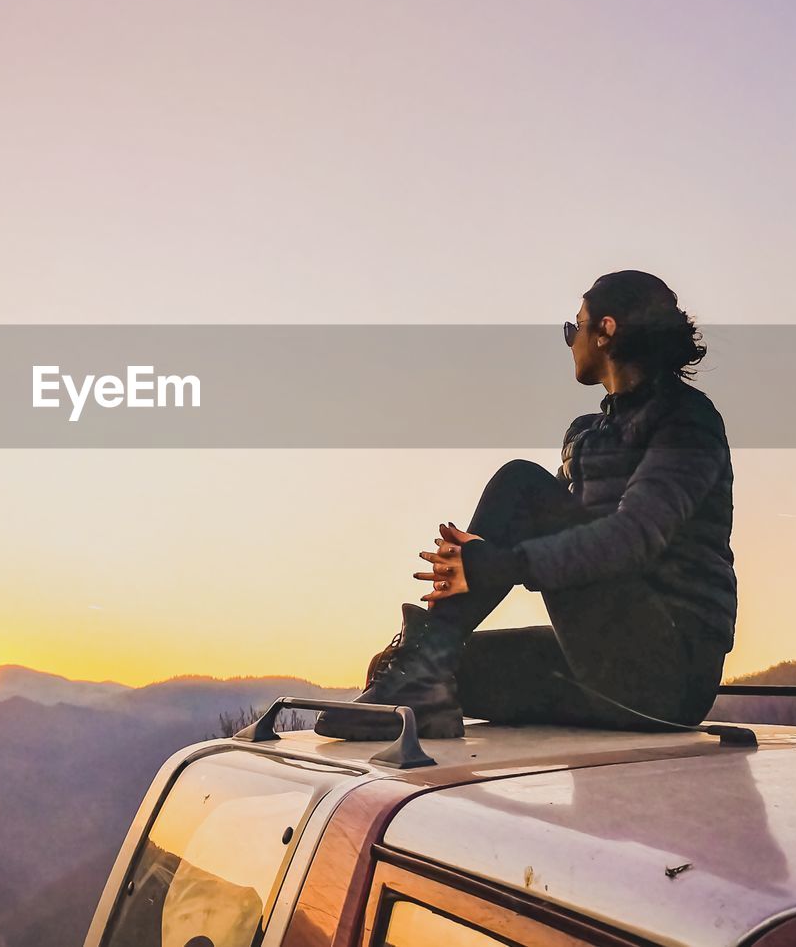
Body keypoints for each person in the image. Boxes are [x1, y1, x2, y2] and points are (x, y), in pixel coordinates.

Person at [314, 270, 736, 741]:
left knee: (519, 483)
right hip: (602, 662)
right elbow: (545, 526)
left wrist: (500, 564)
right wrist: (481, 557)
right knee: (431, 669)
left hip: (669, 671)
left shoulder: (688, 422)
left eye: (574, 327)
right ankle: (425, 676)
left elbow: (632, 537)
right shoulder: (588, 434)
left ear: (606, 331)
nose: (570, 341)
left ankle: (424, 666)